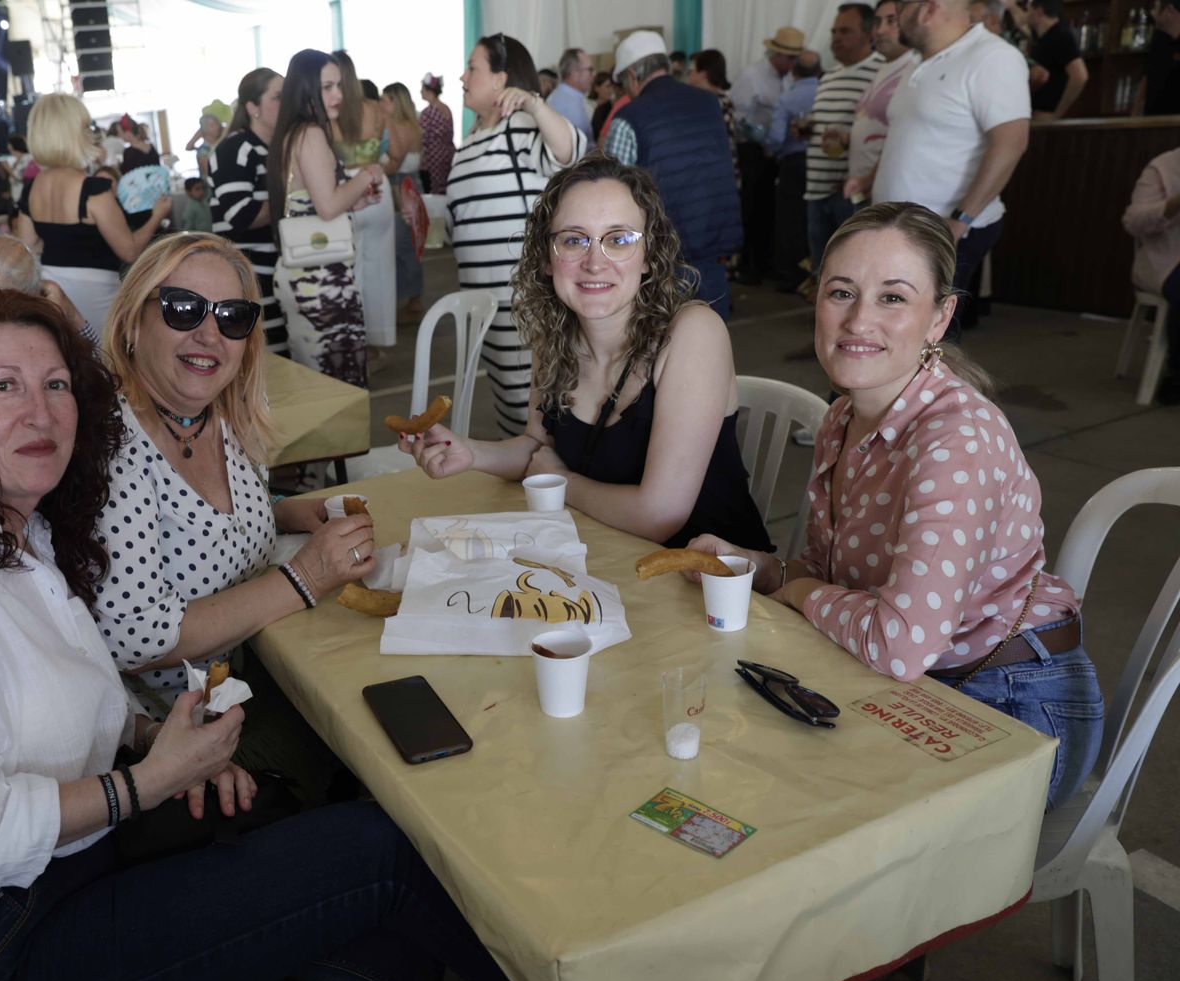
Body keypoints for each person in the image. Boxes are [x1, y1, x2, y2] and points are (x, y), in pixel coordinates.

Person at [0, 285, 552, 981]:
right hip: (18, 946)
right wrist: (144, 784)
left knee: (368, 904)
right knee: (384, 853)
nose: (39, 411)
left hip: (76, 861)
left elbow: (63, 700)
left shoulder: (17, 535)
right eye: (4, 386)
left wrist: (159, 741)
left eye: (57, 385)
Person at [688, 202, 1103, 809]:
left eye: (892, 298)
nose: (858, 320)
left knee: (793, 813)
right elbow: (835, 579)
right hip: (916, 683)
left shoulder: (955, 439)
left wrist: (797, 594)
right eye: (841, 292)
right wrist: (755, 565)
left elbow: (900, 643)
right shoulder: (841, 417)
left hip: (1013, 701)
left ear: (939, 318)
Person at [405, 156, 772, 551]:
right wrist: (469, 452)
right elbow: (538, 447)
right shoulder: (556, 336)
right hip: (605, 561)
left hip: (716, 591)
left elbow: (659, 515)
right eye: (574, 239)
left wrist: (561, 483)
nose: (595, 263)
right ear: (547, 258)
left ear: (649, 256)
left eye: (619, 239)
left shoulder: (692, 334)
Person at [94, 231, 375, 732]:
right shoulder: (113, 448)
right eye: (183, 309)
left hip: (261, 682)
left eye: (231, 317)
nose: (209, 334)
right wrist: (307, 578)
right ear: (134, 320)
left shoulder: (220, 417)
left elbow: (199, 524)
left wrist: (283, 510)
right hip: (175, 734)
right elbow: (138, 638)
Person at [872, 0, 1029, 341]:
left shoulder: (992, 57)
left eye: (901, 6)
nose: (896, 18)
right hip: (900, 228)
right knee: (888, 333)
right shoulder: (916, 62)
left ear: (928, 9)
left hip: (946, 228)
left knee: (923, 341)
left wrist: (960, 220)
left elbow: (1011, 142)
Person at [449, 33, 581, 437]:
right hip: (485, 309)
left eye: (473, 68)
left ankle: (551, 489)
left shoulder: (521, 129)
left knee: (537, 416)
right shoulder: (469, 142)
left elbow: (569, 152)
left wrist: (533, 103)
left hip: (521, 307)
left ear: (501, 79)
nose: (462, 76)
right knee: (511, 408)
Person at [604, 31, 743, 320]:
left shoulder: (630, 117)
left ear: (632, 74)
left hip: (661, 259)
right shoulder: (710, 103)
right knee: (710, 342)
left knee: (661, 348)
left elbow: (612, 192)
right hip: (712, 248)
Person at [269, 49, 385, 388]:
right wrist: (366, 175)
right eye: (328, 87)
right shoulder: (310, 133)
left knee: (321, 387)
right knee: (338, 391)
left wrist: (354, 200)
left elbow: (311, 203)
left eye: (340, 85)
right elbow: (327, 206)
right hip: (321, 281)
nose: (339, 94)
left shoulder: (291, 133)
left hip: (306, 276)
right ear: (306, 89)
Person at [14, 93, 169, 336]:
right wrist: (157, 215)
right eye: (86, 127)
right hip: (97, 296)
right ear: (74, 133)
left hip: (52, 294)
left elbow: (26, 249)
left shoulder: (31, 189)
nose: (91, 133)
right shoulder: (92, 190)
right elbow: (129, 250)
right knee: (108, 364)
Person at [210, 67, 287, 357]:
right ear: (253, 107)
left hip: (279, 266)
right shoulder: (236, 148)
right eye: (278, 97)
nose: (287, 103)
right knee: (272, 360)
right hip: (253, 273)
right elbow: (241, 215)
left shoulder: (277, 148)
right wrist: (295, 195)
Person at [804, 5, 883, 277]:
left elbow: (879, 133)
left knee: (853, 270)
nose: (836, 37)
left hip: (848, 190)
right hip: (816, 188)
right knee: (822, 270)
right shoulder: (828, 77)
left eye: (845, 31)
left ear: (869, 34)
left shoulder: (879, 73)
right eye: (833, 31)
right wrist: (804, 130)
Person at [333, 50, 398, 354]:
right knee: (381, 268)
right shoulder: (375, 108)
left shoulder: (332, 112)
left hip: (348, 187)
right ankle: (379, 338)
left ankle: (354, 341)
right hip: (378, 183)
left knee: (351, 269)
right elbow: (394, 149)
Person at [731, 26, 803, 284]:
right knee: (751, 207)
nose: (793, 63)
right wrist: (758, 136)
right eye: (790, 57)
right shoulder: (753, 76)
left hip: (774, 151)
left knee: (769, 209)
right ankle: (749, 266)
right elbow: (739, 116)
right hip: (752, 150)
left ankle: (764, 262)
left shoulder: (786, 79)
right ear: (777, 54)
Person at [844, 1, 919, 207]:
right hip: (863, 188)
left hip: (888, 194)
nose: (880, 30)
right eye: (877, 22)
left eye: (891, 21)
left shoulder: (916, 69)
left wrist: (871, 179)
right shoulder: (883, 66)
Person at [1121, 145, 1180, 404]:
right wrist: (1174, 204)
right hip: (1167, 260)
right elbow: (1133, 222)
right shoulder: (1163, 167)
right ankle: (1177, 372)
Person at [767, 50, 822, 292]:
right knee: (814, 219)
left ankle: (789, 275)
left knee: (789, 220)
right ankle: (812, 272)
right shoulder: (825, 92)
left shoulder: (788, 98)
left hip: (792, 163)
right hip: (821, 163)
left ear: (794, 70)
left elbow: (776, 138)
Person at [382, 82, 426, 322]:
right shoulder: (413, 124)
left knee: (404, 246)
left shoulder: (401, 126)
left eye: (385, 100)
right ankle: (412, 297)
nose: (381, 104)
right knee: (410, 243)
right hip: (411, 183)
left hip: (402, 185)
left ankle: (414, 300)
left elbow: (395, 163)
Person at [1023, 0, 1088, 120]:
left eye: (1028, 9)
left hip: (1047, 118)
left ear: (1039, 11)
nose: (1026, 15)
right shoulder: (1042, 38)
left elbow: (1080, 76)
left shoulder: (1061, 36)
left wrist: (1056, 115)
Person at [689, 50, 741, 189]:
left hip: (713, 175)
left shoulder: (706, 103)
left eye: (693, 70)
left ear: (703, 74)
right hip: (726, 172)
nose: (690, 74)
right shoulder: (724, 99)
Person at [547, 48, 596, 154]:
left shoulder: (566, 97)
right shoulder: (567, 103)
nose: (594, 75)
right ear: (575, 74)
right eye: (590, 70)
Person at [1136, 1, 1180, 116]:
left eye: (1155, 8)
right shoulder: (1159, 39)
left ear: (1170, 10)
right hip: (1154, 123)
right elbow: (1146, 82)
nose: (1152, 13)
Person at [418, 73, 455, 195]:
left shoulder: (428, 112)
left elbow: (421, 139)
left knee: (433, 192)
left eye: (422, 89)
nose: (420, 92)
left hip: (432, 159)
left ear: (429, 90)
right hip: (448, 156)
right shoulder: (446, 109)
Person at [184, 102, 230, 179]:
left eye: (217, 124)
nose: (217, 127)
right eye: (212, 125)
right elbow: (209, 174)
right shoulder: (203, 151)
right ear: (204, 129)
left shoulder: (223, 143)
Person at [589, 70, 618, 147]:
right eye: (607, 86)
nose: (611, 90)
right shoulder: (587, 106)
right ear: (596, 88)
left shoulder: (612, 107)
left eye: (612, 86)